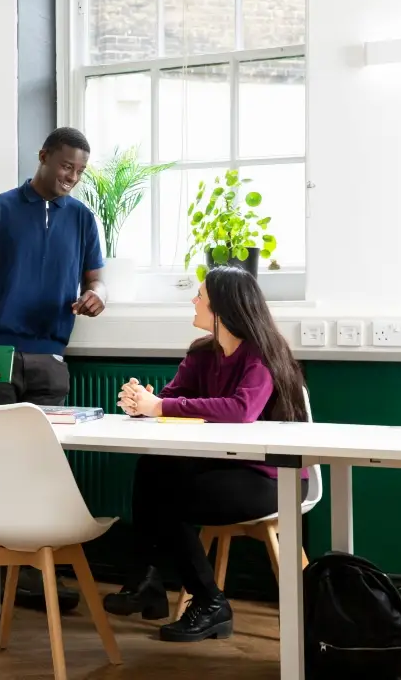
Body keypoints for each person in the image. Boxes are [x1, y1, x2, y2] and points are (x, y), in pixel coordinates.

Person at [104, 264, 308, 643]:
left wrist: (159, 408)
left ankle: (208, 601)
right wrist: (140, 400)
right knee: (153, 468)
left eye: (201, 296)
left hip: (270, 476)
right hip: (220, 468)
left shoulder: (262, 354)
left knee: (171, 498)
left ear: (224, 309)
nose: (193, 300)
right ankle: (147, 580)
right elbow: (167, 397)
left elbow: (241, 410)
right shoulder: (201, 355)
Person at [0, 126, 106, 611]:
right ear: (43, 156)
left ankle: (36, 577)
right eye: (66, 166)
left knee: (42, 470)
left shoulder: (83, 219)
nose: (72, 177)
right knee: (0, 469)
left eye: (80, 171)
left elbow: (97, 280)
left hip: (51, 357)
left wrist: (97, 296)